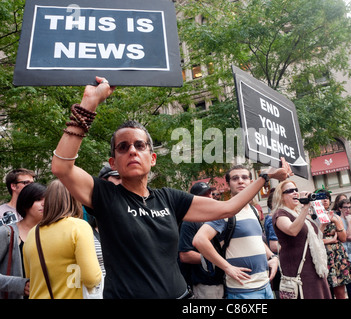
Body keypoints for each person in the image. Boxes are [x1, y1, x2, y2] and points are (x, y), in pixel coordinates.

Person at [50, 76, 292, 299]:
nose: (132, 150)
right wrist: (89, 103)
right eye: (123, 147)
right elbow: (62, 167)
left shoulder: (170, 199)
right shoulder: (105, 195)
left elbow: (228, 208)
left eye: (139, 145)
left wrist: (265, 177)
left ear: (152, 158)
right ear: (113, 162)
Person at [193, 165, 279, 299]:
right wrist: (227, 267)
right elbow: (199, 240)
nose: (240, 181)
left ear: (251, 182)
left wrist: (272, 257)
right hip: (243, 291)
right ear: (228, 185)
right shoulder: (224, 211)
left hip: (265, 286)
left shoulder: (253, 210)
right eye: (235, 178)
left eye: (245, 177)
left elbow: (255, 240)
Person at [23, 180, 102, 299]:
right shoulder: (78, 226)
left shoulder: (32, 233)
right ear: (75, 199)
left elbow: (31, 276)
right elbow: (91, 279)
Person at [271, 180, 331, 299]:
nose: (295, 193)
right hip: (299, 269)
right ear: (281, 197)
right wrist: (305, 207)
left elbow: (312, 237)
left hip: (314, 267)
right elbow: (292, 231)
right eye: (289, 191)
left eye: (296, 190)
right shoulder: (280, 213)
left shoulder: (299, 212)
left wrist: (323, 225)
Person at [178, 182, 224, 299]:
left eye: (210, 193)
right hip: (206, 284)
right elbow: (185, 255)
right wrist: (214, 260)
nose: (210, 196)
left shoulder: (216, 217)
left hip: (223, 280)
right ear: (195, 199)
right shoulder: (190, 221)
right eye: (204, 194)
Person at [0, 182, 46, 299]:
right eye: (38, 199)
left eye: (47, 199)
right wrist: (19, 285)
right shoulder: (6, 232)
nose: (44, 203)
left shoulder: (51, 233)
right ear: (26, 202)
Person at [320, 193, 351, 299]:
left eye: (327, 198)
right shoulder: (311, 216)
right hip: (321, 255)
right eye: (321, 198)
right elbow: (312, 239)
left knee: (340, 293)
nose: (325, 200)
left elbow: (343, 238)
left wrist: (335, 221)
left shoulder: (336, 216)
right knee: (324, 293)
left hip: (336, 255)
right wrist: (329, 240)